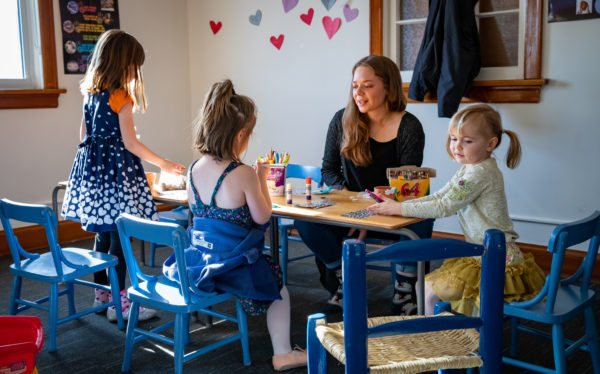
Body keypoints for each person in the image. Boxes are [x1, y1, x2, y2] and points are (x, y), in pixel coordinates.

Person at [164, 79, 306, 371]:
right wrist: (262, 178)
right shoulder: (241, 173)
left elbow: (199, 215)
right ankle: (282, 352)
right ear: (241, 134)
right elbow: (263, 216)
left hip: (199, 261)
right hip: (235, 265)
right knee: (280, 289)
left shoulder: (192, 170)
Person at [368, 104, 546, 316]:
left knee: (426, 291)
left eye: (467, 141)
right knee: (424, 288)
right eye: (453, 138)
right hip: (485, 251)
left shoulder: (479, 174)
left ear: (491, 144)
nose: (457, 146)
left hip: (494, 258)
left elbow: (445, 206)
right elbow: (440, 196)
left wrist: (399, 208)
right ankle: (446, 334)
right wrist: (398, 205)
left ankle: (439, 340)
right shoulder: (469, 169)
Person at [294, 55, 434, 315]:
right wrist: (355, 206)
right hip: (349, 208)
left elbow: (407, 183)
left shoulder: (409, 126)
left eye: (367, 85)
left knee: (423, 218)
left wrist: (372, 211)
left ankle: (405, 291)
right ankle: (344, 278)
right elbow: (329, 169)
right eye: (355, 85)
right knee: (304, 221)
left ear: (388, 88)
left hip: (390, 210)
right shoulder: (341, 120)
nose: (358, 92)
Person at [61, 29, 184, 322]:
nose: (135, 72)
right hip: (118, 178)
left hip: (95, 176)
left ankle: (103, 298)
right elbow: (130, 144)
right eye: (133, 67)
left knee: (103, 236)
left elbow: (83, 136)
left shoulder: (90, 94)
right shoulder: (120, 97)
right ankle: (121, 305)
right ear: (121, 64)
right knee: (120, 238)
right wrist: (164, 163)